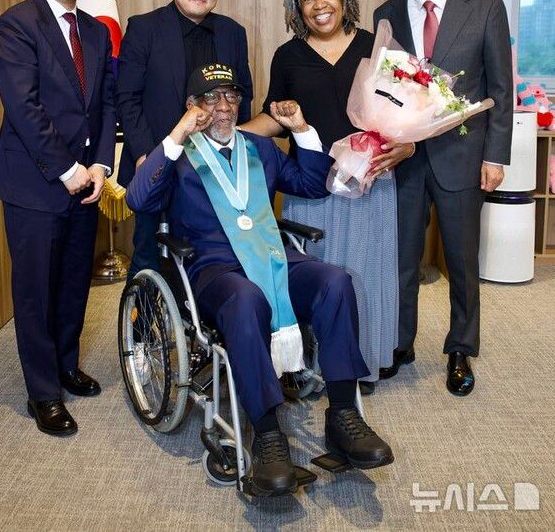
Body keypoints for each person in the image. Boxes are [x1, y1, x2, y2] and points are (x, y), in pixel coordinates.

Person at [126, 63, 394, 497]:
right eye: (211, 98)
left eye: (231, 97)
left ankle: (343, 415)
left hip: (274, 259)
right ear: (192, 106)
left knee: (335, 281)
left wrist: (301, 129)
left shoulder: (260, 148)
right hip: (216, 271)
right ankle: (268, 435)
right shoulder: (179, 154)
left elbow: (313, 184)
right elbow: (139, 199)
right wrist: (177, 134)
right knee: (246, 298)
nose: (223, 106)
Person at [241, 0, 414, 393]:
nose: (319, 5)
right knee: (319, 276)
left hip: (370, 181)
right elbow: (276, 118)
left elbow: (410, 110)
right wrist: (225, 134)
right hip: (312, 183)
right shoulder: (288, 56)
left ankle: (362, 364)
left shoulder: (376, 46)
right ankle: (314, 367)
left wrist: (409, 145)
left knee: (366, 276)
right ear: (297, 8)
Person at [0, 0, 116, 435]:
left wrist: (100, 165)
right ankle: (43, 392)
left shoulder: (97, 32)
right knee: (36, 289)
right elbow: (24, 108)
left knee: (74, 282)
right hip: (35, 183)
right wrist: (68, 169)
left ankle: (65, 365)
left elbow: (103, 105)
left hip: (86, 181)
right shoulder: (16, 24)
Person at [374, 0, 513, 395]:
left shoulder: (486, 7)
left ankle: (460, 348)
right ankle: (400, 343)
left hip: (463, 156)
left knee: (462, 260)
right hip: (406, 160)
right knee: (402, 258)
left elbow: (501, 88)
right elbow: (383, 89)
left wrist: (495, 156)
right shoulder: (387, 14)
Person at [116, 0, 253, 283]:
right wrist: (146, 155)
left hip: (214, 168)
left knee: (211, 255)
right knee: (149, 256)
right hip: (159, 161)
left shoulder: (233, 33)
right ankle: (144, 316)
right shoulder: (144, 27)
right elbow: (126, 97)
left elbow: (243, 97)